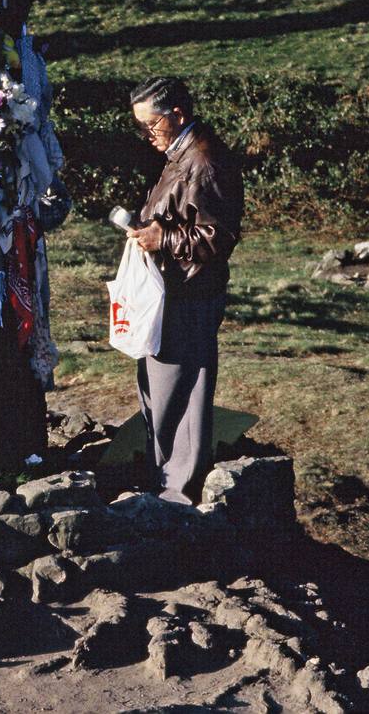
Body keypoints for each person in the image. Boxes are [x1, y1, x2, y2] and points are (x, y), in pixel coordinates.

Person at [126, 77, 242, 504]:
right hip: (174, 290)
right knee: (163, 389)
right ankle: (168, 481)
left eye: (151, 125)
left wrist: (164, 241)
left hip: (191, 294)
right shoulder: (182, 153)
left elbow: (219, 236)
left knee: (182, 393)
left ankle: (180, 491)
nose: (147, 135)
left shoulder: (204, 161)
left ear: (177, 114)